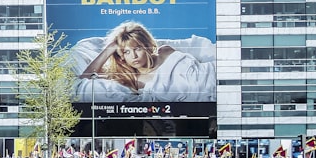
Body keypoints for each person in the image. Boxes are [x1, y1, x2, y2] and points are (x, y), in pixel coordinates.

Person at [77, 21, 216, 102]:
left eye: (137, 48)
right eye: (127, 52)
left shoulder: (165, 51)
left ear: (146, 46)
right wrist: (108, 50)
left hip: (216, 75)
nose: (134, 56)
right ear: (122, 56)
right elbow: (84, 79)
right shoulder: (131, 80)